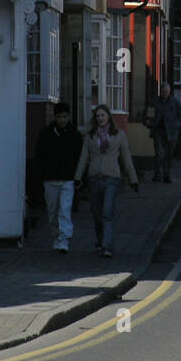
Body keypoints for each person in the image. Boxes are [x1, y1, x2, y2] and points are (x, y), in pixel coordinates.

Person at [74, 104, 138, 257]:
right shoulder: (90, 136)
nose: (100, 118)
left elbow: (126, 158)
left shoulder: (119, 135)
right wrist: (77, 177)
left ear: (108, 116)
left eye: (103, 115)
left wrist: (133, 178)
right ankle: (100, 240)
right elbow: (83, 158)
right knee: (96, 214)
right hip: (94, 177)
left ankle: (107, 246)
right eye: (97, 116)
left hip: (112, 178)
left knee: (107, 213)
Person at [32, 102, 83, 253]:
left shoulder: (74, 135)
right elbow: (40, 156)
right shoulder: (46, 134)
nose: (62, 120)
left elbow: (79, 157)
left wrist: (79, 178)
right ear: (55, 117)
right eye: (60, 117)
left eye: (65, 117)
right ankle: (57, 235)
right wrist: (39, 177)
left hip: (68, 179)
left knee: (65, 210)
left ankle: (64, 239)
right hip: (50, 178)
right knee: (53, 211)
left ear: (69, 116)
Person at [149, 81, 181, 183]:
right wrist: (149, 123)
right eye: (163, 91)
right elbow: (149, 114)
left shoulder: (175, 102)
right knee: (160, 153)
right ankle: (157, 174)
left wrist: (176, 125)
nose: (164, 93)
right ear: (160, 91)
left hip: (171, 132)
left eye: (166, 91)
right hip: (158, 131)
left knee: (169, 155)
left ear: (169, 91)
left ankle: (166, 175)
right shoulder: (155, 101)